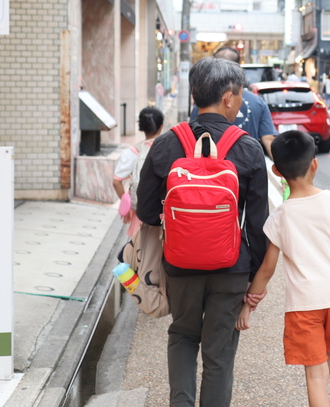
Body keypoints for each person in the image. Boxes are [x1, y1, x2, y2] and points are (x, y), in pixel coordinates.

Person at [137, 57, 270, 407]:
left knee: (182, 335)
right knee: (219, 351)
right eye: (240, 96)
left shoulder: (166, 144)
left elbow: (147, 210)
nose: (241, 103)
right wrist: (252, 278)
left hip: (180, 265)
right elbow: (258, 226)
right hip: (232, 268)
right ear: (228, 97)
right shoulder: (248, 148)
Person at [236, 130, 330, 407]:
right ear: (315, 164)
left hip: (304, 305)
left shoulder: (281, 215)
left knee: (315, 375)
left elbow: (267, 270)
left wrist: (249, 304)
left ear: (277, 171)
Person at [190, 46, 278, 159]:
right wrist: (284, 171)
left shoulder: (205, 100)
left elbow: (192, 136)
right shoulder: (257, 102)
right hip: (248, 163)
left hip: (210, 169)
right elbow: (268, 138)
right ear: (238, 66)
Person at [112, 106, 164, 237]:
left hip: (140, 210)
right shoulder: (167, 149)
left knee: (138, 250)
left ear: (141, 126)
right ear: (161, 126)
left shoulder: (133, 152)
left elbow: (116, 181)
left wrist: (127, 201)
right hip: (163, 211)